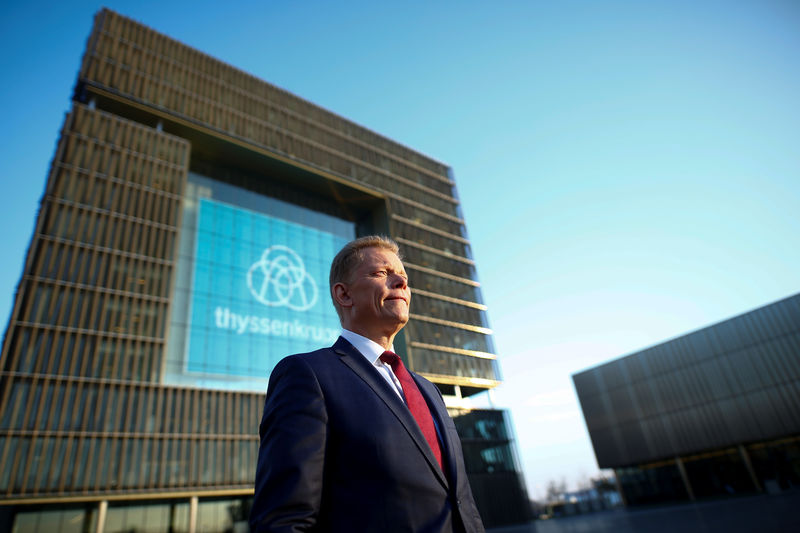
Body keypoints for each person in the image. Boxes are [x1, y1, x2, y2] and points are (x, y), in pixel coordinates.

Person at [250, 235, 485, 533]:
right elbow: (284, 520)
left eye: (403, 276)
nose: (400, 281)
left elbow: (462, 503)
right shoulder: (307, 375)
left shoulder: (428, 390)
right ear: (344, 295)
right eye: (382, 273)